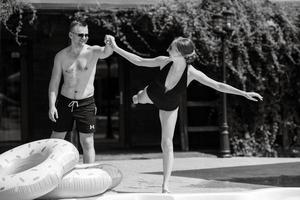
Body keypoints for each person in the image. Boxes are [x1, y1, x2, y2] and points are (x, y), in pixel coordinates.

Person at [106, 35, 263, 193]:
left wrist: (243, 93)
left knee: (167, 143)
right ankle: (138, 97)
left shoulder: (191, 73)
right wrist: (116, 48)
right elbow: (139, 61)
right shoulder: (164, 61)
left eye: (171, 48)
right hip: (153, 94)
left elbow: (217, 85)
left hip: (169, 106)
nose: (168, 50)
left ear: (181, 54)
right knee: (138, 98)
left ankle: (165, 185)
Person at [48, 20, 113, 163]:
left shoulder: (93, 51)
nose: (84, 38)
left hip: (86, 102)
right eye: (80, 35)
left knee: (88, 142)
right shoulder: (61, 56)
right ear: (71, 35)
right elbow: (54, 83)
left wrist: (109, 43)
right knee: (56, 140)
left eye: (86, 35)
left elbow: (107, 52)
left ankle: (89, 175)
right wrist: (52, 105)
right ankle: (50, 174)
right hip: (65, 102)